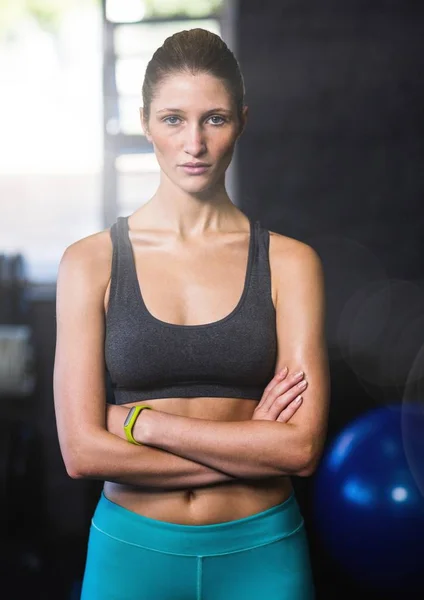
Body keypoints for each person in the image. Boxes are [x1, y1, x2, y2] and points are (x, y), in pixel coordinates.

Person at [53, 27, 330, 600]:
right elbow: (82, 453)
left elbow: (301, 450)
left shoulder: (290, 263)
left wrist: (141, 424)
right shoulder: (89, 263)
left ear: (242, 122)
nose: (194, 144)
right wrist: (253, 445)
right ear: (146, 122)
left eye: (215, 118)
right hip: (131, 554)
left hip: (263, 552)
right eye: (174, 118)